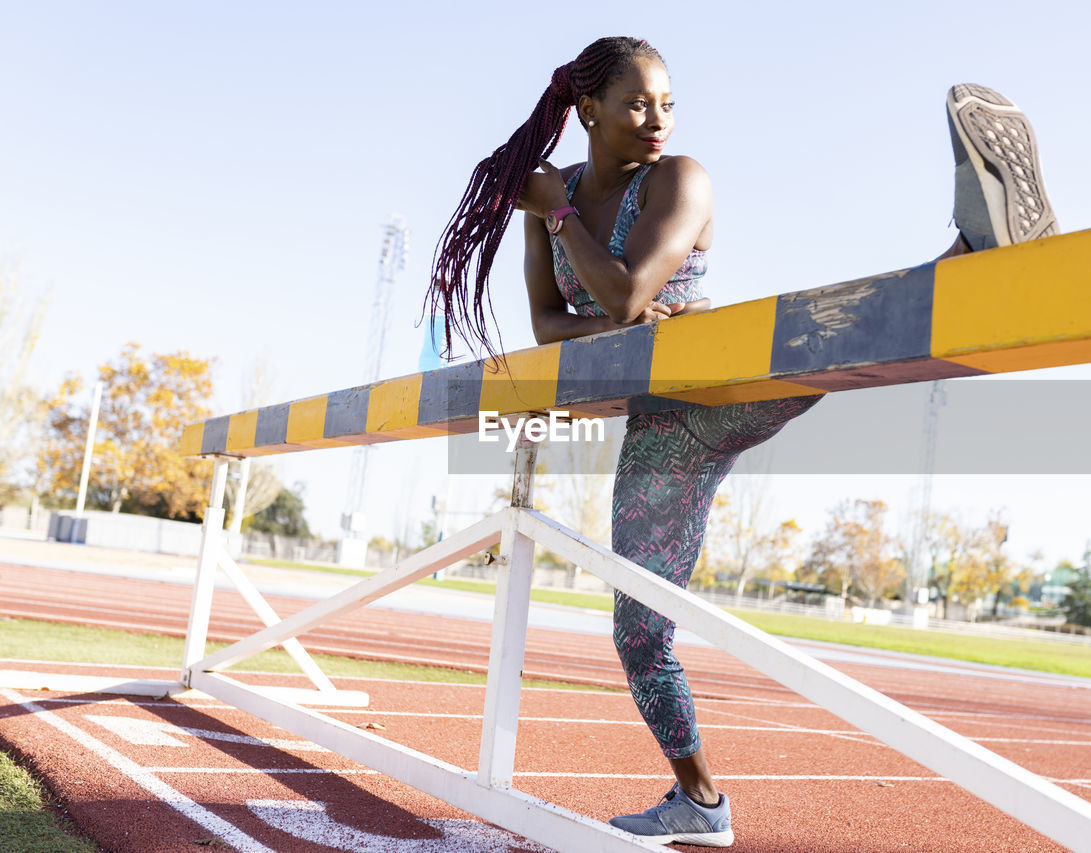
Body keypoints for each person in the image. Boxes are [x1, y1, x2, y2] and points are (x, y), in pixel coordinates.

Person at [427, 37, 1056, 849]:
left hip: (726, 377)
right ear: (588, 111)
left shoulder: (679, 179)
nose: (658, 119)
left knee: (827, 342)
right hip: (661, 427)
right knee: (638, 631)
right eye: (637, 103)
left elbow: (619, 299)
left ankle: (977, 258)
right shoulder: (564, 194)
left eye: (668, 103)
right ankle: (701, 800)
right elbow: (550, 327)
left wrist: (559, 220)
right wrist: (574, 240)